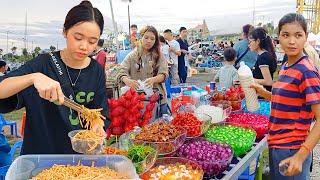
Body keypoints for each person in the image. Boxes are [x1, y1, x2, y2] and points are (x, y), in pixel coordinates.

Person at [0, 1, 109, 154]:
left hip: (79, 160)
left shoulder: (96, 70)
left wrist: (97, 125)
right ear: (65, 32)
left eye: (92, 41)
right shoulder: (43, 64)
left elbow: (99, 112)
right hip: (40, 156)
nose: (85, 46)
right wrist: (34, 78)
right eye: (78, 38)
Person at [251, 13, 320, 179]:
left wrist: (300, 156)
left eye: (298, 35)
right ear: (278, 38)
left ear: (305, 37)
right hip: (277, 145)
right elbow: (289, 101)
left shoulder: (306, 71)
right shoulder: (287, 65)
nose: (291, 41)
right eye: (286, 35)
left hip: (293, 148)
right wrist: (264, 92)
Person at [117, 26, 169, 116]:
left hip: (157, 98)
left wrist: (154, 79)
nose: (149, 41)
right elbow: (122, 71)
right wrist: (127, 80)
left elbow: (164, 74)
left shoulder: (159, 56)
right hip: (137, 101)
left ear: (155, 41)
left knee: (158, 126)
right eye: (146, 37)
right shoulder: (132, 56)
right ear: (141, 38)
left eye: (152, 39)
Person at [248, 27, 277, 92]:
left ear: (258, 41)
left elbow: (268, 81)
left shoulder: (263, 57)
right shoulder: (264, 55)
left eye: (250, 42)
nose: (248, 45)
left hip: (263, 97)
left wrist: (250, 80)